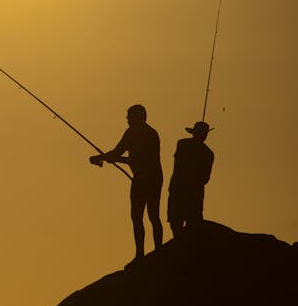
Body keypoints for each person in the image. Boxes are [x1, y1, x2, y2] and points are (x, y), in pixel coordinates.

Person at [89, 105, 163, 263]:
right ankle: (145, 254)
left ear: (139, 117)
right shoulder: (141, 133)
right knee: (142, 216)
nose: (127, 120)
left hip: (149, 179)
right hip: (146, 179)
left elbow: (129, 157)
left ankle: (152, 253)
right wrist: (104, 157)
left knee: (148, 215)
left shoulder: (145, 134)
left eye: (129, 117)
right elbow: (119, 153)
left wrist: (102, 157)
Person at [167, 121, 214, 237]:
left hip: (179, 190)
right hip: (194, 194)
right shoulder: (208, 153)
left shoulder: (182, 144)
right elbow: (205, 179)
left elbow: (177, 165)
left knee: (176, 223)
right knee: (190, 225)